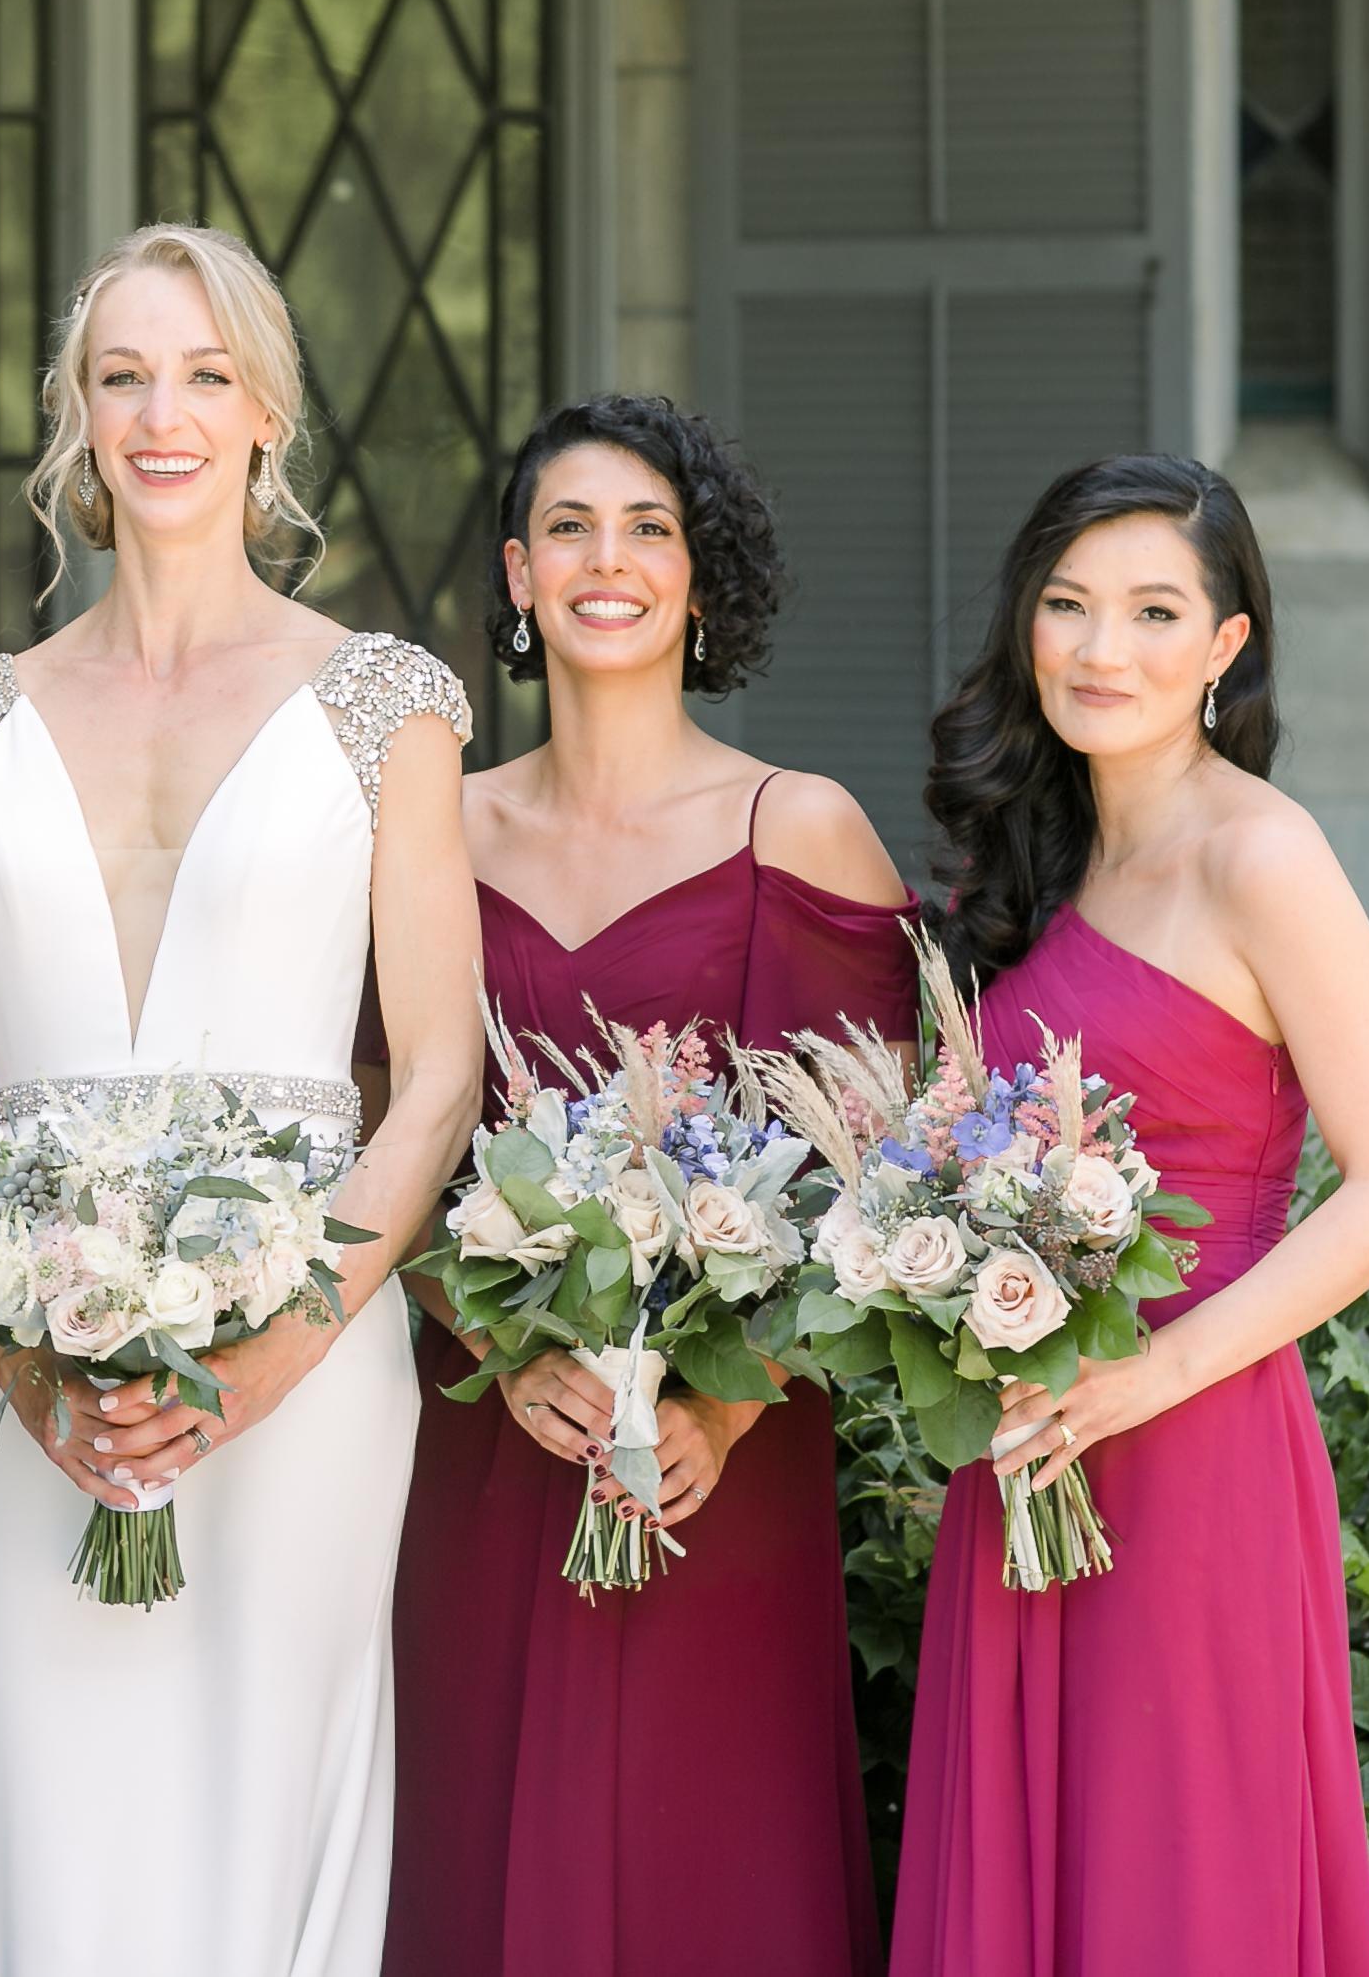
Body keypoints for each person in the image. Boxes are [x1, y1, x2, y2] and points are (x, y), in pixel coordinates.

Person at [0, 223, 483, 1977]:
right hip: (28, 1364)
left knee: (269, 1798)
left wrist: (275, 1352)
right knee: (59, 1810)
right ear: (76, 414)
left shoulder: (382, 704)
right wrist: (24, 1356)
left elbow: (435, 1076)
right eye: (124, 375)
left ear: (265, 414)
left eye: (205, 376)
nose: (164, 415)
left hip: (309, 1356)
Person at [374, 395, 916, 1977]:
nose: (605, 562)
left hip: (718, 1459)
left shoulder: (792, 826)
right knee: (476, 1845)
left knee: (707, 1864)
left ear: (696, 576)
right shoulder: (429, 831)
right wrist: (497, 1345)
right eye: (568, 530)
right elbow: (379, 1142)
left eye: (646, 531)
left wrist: (725, 1411)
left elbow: (873, 1183)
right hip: (491, 1436)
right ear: (516, 575)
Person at [889, 454, 1369, 1977]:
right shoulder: (1035, 862)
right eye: (1066, 605)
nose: (1099, 648)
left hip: (1196, 1443)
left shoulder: (1262, 855)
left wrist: (1149, 1375)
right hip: (1023, 1442)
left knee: (1175, 1891)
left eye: (1151, 612)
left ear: (1224, 645)